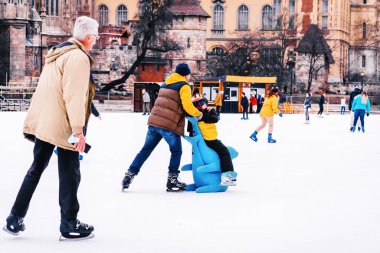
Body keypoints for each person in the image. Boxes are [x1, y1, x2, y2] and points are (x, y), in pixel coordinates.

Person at [3, 16, 98, 240]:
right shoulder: (77, 58)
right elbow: (74, 96)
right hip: (62, 124)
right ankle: (69, 222)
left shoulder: (58, 53)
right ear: (86, 37)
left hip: (46, 121)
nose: (96, 40)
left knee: (36, 168)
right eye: (95, 36)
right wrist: (78, 130)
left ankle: (14, 217)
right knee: (70, 172)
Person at [122, 63, 203, 192]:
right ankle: (172, 180)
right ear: (186, 74)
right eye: (189, 74)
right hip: (168, 125)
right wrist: (198, 114)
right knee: (176, 152)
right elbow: (187, 105)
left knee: (145, 150)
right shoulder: (184, 86)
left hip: (154, 122)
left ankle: (129, 174)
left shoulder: (166, 83)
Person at [191, 97, 237, 186]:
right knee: (224, 152)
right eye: (204, 104)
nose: (206, 105)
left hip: (208, 138)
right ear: (199, 106)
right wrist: (211, 111)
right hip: (210, 139)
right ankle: (227, 176)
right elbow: (215, 119)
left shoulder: (198, 115)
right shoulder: (202, 116)